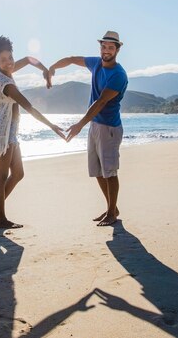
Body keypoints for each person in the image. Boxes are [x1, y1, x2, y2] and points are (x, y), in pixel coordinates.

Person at [47, 31, 128, 226]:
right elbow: (72, 59)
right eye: (103, 46)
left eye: (110, 47)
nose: (106, 50)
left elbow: (100, 103)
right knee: (98, 171)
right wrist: (52, 68)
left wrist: (79, 125)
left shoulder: (118, 75)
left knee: (110, 172)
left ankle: (112, 214)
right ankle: (112, 208)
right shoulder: (95, 63)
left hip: (109, 128)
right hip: (95, 125)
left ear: (117, 49)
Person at [0, 35, 65, 229]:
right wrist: (52, 126)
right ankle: (1, 219)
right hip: (2, 134)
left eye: (10, 58)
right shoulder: (7, 84)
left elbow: (30, 59)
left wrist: (45, 70)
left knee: (18, 173)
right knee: (1, 177)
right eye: (3, 60)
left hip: (11, 131)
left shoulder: (9, 68)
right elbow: (29, 107)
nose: (9, 63)